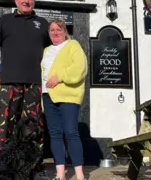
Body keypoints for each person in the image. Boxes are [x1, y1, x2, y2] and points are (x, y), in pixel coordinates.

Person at [0, 0, 51, 179]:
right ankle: (2, 165)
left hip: (35, 83)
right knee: (7, 125)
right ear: (16, 1)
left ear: (34, 1)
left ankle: (35, 166)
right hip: (10, 82)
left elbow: (52, 52)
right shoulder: (4, 21)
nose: (26, 1)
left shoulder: (42, 23)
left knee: (35, 126)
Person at [41, 19, 88, 180]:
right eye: (52, 30)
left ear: (65, 31)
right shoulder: (46, 50)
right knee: (54, 134)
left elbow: (80, 68)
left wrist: (60, 77)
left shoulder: (72, 45)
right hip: (48, 95)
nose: (55, 32)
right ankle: (60, 174)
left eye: (58, 29)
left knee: (71, 132)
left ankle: (79, 175)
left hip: (68, 95)